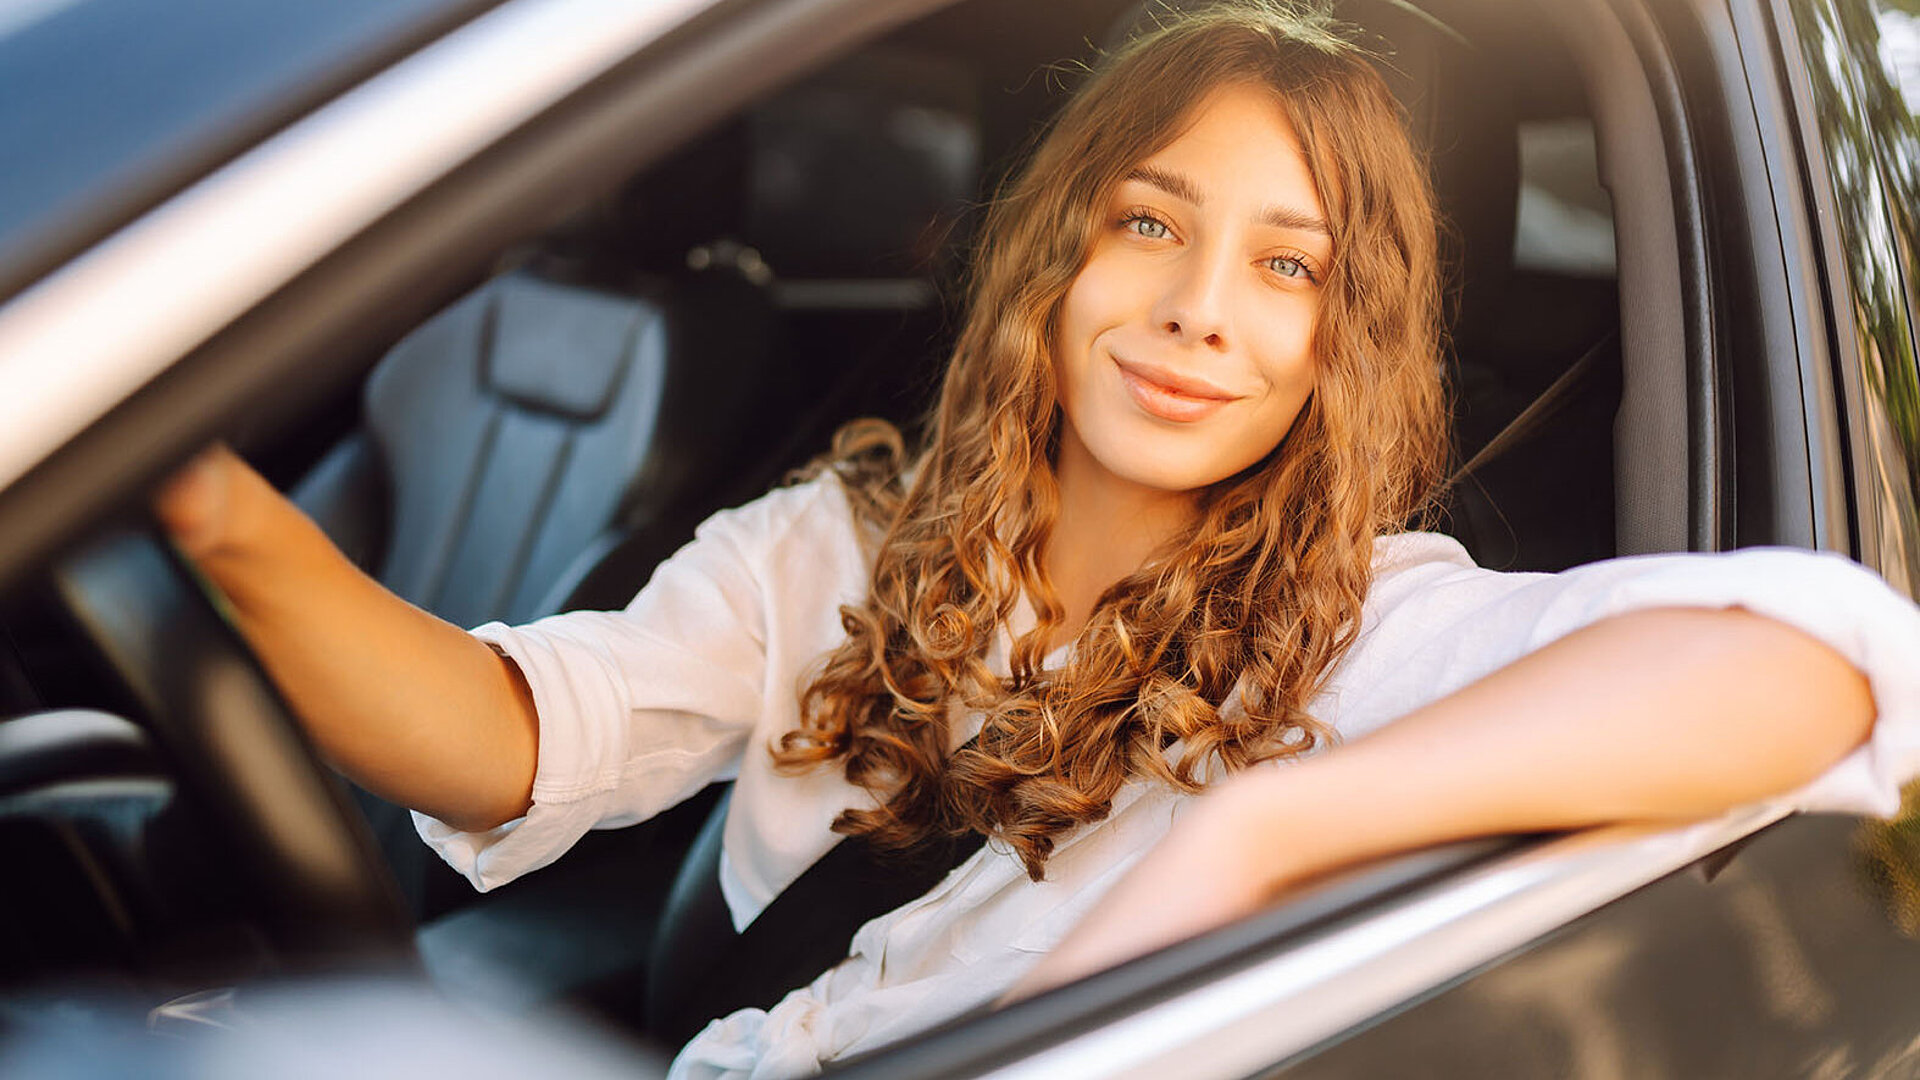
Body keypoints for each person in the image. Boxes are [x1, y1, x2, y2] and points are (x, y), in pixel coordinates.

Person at [155, 1, 1920, 1076]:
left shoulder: (1356, 632)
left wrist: (1264, 831)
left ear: (1342, 340)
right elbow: (511, 734)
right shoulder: (843, 545)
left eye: (1288, 265)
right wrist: (221, 522)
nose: (1202, 308)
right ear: (1054, 254)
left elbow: (1829, 660)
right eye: (1150, 223)